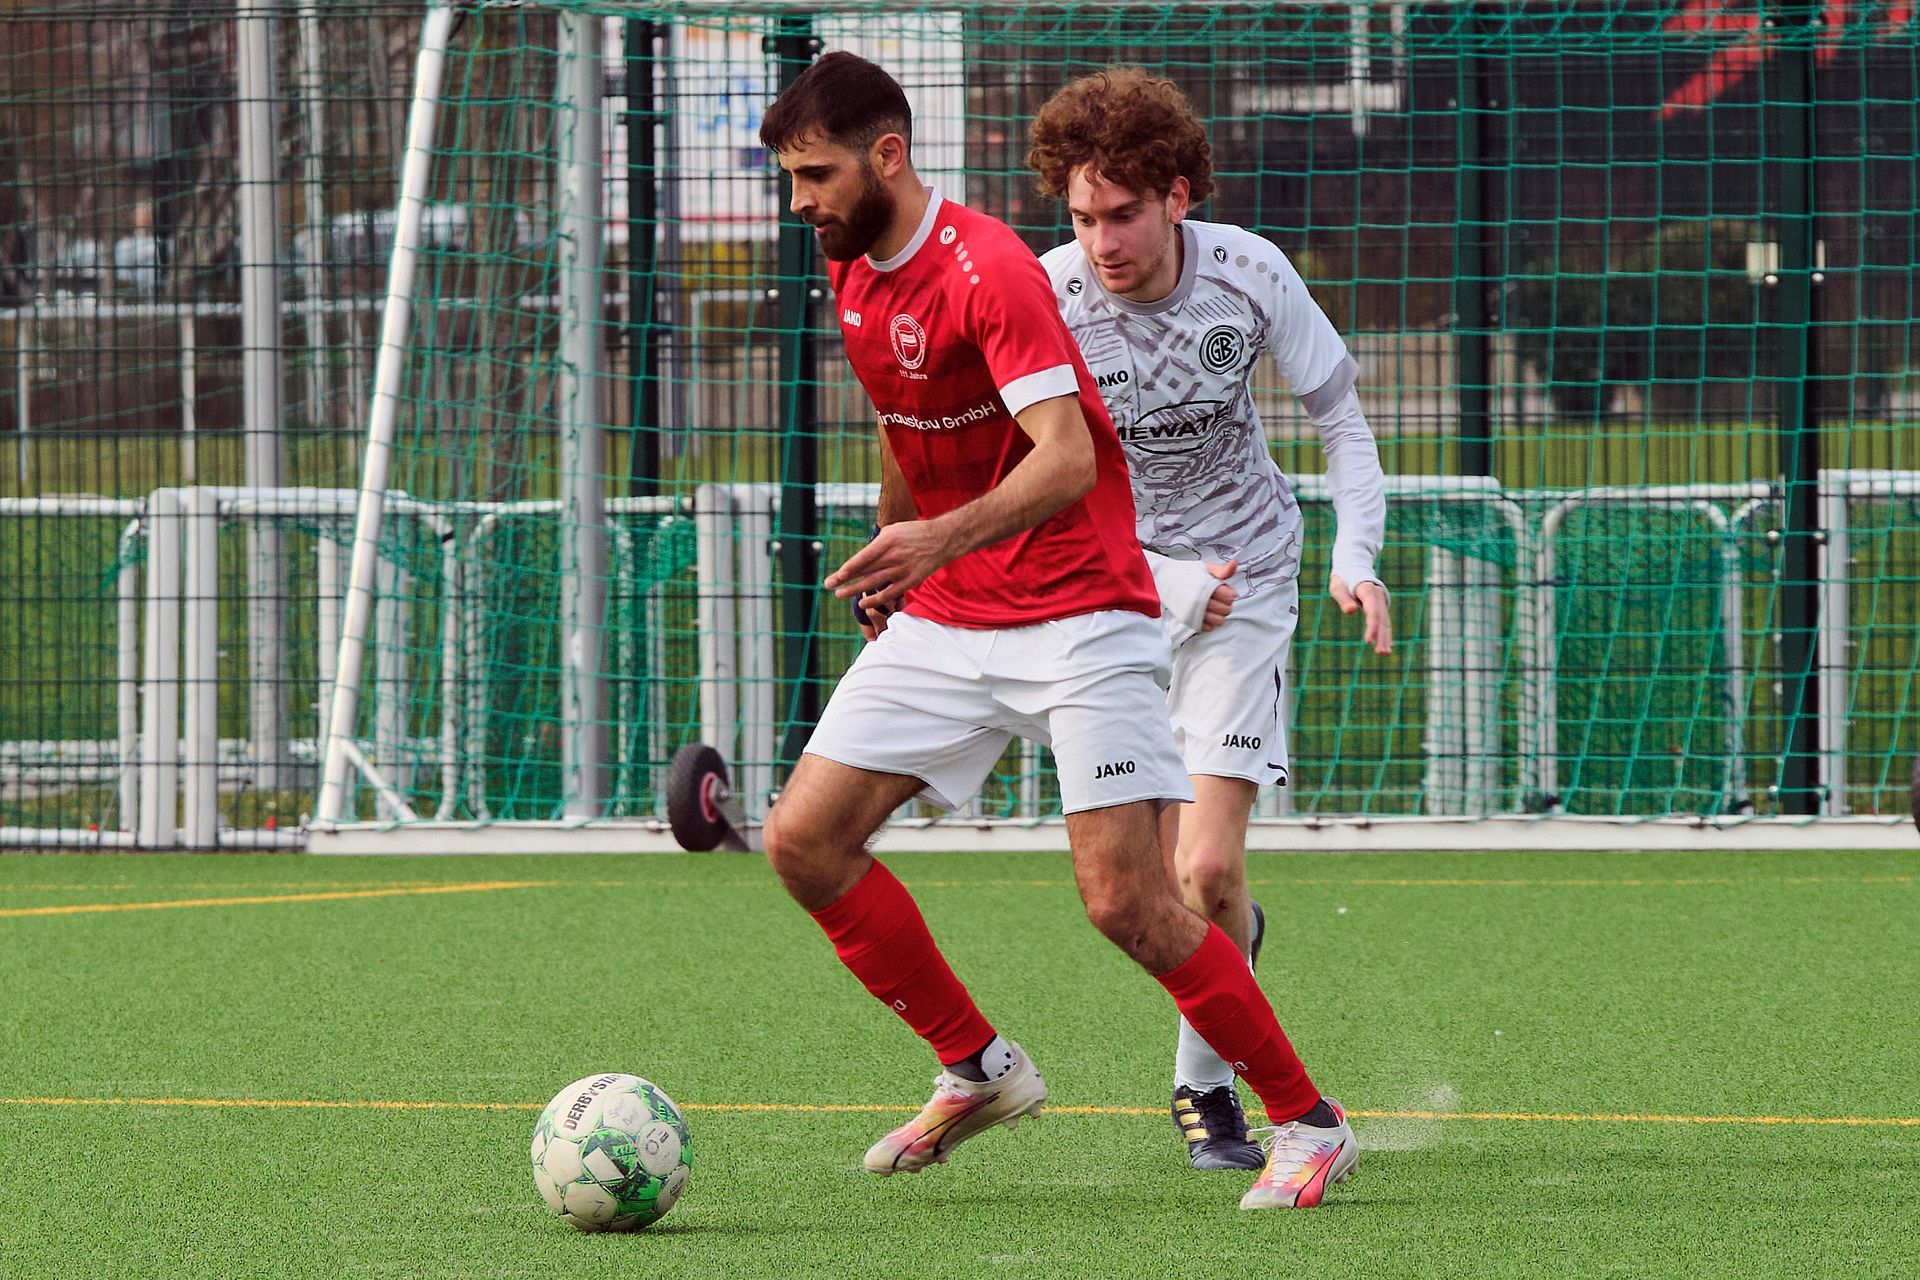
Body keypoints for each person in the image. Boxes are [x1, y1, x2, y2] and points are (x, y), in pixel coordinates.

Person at [757, 52, 1356, 1210]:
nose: (800, 201)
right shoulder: (855, 272)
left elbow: (1070, 456)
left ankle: (1308, 1119)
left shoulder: (988, 269)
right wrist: (896, 556)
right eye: (791, 179)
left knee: (1131, 902)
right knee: (803, 839)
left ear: (888, 155)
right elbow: (907, 426)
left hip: (1082, 608)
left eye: (815, 175)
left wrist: (933, 540)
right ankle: (978, 1066)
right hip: (952, 610)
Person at [1028, 68, 1392, 1173]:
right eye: (1083, 217)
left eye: (1123, 214)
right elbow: (1025, 479)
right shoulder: (1045, 296)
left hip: (1252, 577)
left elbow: (1343, 422)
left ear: (1178, 195)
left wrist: (1356, 559)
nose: (1102, 241)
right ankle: (1228, 958)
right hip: (1113, 593)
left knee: (1204, 874)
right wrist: (1160, 579)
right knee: (1138, 890)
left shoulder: (1249, 273)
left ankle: (1205, 1082)